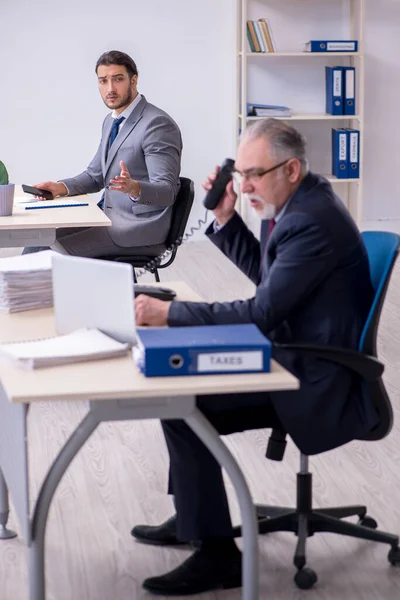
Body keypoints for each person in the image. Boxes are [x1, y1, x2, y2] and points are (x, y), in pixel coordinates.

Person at [132, 118, 379, 596]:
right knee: (178, 395)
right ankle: (195, 516)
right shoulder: (296, 202)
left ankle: (217, 554)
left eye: (253, 175)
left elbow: (262, 313)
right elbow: (270, 286)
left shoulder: (309, 220)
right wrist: (226, 218)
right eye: (238, 173)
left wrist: (170, 313)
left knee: (186, 404)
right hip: (294, 353)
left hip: (314, 378)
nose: (243, 185)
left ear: (291, 168)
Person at [24, 50, 182, 257]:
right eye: (103, 81)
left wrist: (134, 188)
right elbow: (95, 176)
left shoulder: (156, 124)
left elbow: (167, 192)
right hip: (105, 217)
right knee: (37, 241)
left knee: (50, 253)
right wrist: (59, 187)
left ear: (133, 80)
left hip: (137, 230)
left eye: (118, 79)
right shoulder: (112, 121)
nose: (110, 89)